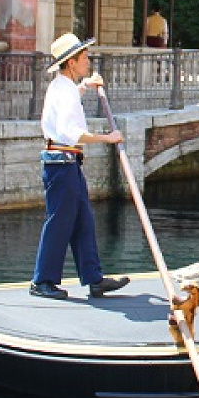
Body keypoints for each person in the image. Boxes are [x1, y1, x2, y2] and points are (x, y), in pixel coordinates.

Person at [30, 33, 131, 300]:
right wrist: (107, 138)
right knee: (60, 221)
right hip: (61, 165)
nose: (88, 61)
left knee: (83, 220)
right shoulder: (64, 93)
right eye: (84, 57)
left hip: (67, 164)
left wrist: (85, 85)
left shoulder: (63, 88)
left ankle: (93, 278)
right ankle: (42, 280)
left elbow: (71, 98)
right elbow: (71, 132)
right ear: (72, 63)